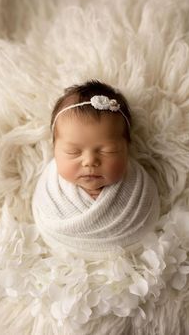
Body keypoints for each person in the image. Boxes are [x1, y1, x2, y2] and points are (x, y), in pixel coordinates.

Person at [32, 80, 160, 258]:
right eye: (72, 151)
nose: (90, 161)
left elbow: (147, 217)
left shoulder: (138, 188)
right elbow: (44, 214)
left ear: (127, 148)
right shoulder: (51, 188)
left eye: (108, 151)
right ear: (54, 149)